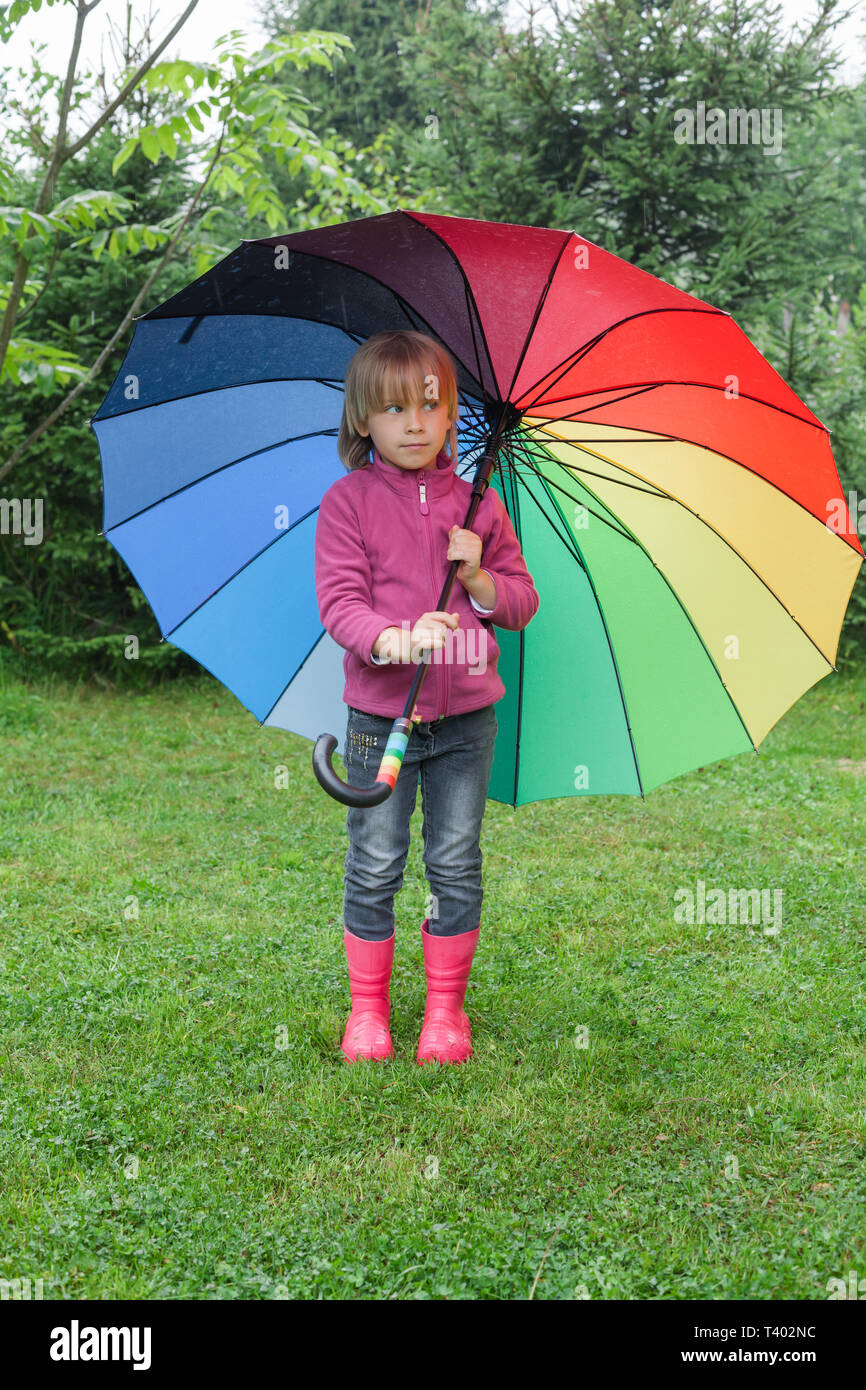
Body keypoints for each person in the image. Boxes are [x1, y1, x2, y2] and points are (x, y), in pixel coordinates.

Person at [314, 330, 539, 1065]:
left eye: (430, 407)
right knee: (375, 859)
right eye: (393, 408)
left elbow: (521, 603)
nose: (413, 423)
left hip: (467, 722)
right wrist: (393, 640)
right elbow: (339, 603)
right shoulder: (348, 503)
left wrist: (477, 578)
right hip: (379, 719)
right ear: (363, 421)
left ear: (452, 419)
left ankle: (446, 1012)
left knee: (454, 857)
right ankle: (367, 1011)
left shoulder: (480, 507)